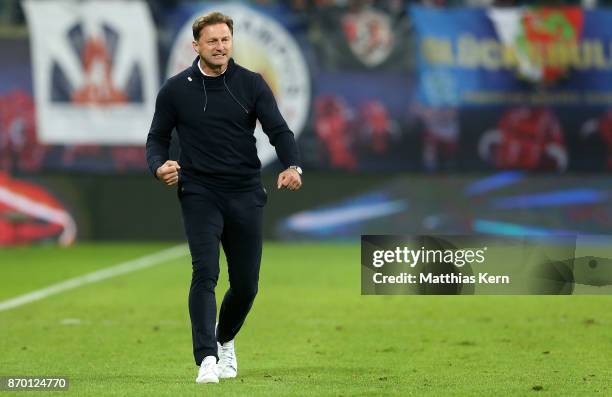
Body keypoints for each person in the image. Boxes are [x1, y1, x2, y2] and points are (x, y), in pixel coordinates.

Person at [145, 12, 303, 384]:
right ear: (196, 45)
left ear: (232, 42)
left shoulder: (251, 84)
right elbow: (157, 138)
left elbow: (279, 130)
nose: (220, 47)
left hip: (245, 190)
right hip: (199, 190)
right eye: (212, 41)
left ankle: (225, 339)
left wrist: (293, 166)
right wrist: (157, 166)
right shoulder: (175, 89)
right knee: (205, 273)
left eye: (225, 40)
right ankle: (207, 359)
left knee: (247, 285)